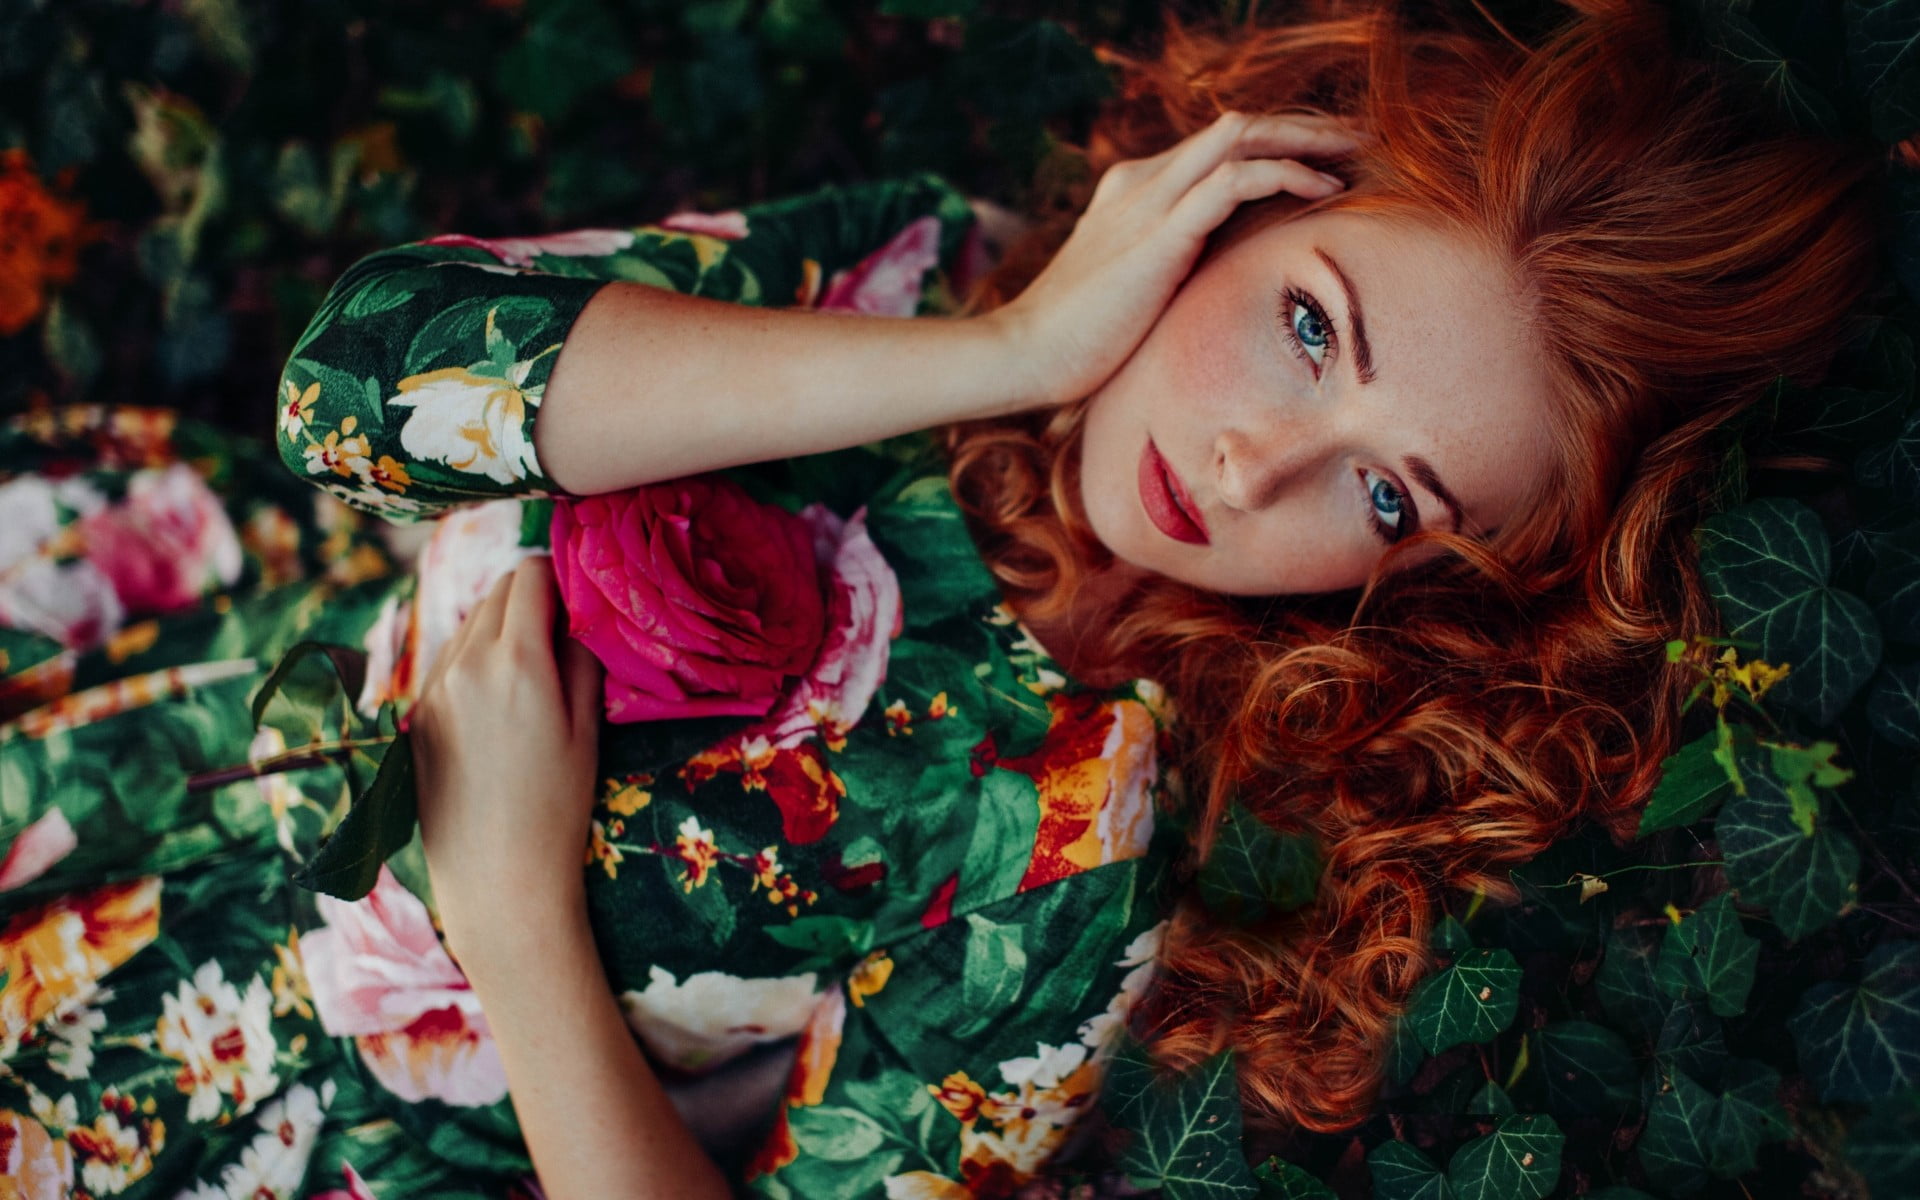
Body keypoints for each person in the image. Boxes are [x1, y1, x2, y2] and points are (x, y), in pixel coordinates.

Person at [0, 0, 1891, 1196]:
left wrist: (514, 921)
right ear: (1236, 195)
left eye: (1389, 491)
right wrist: (999, 348)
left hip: (242, 1136)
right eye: (1309, 327)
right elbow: (358, 391)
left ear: (1428, 585)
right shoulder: (903, 273)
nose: (1252, 471)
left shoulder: (1078, 855)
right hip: (136, 771)